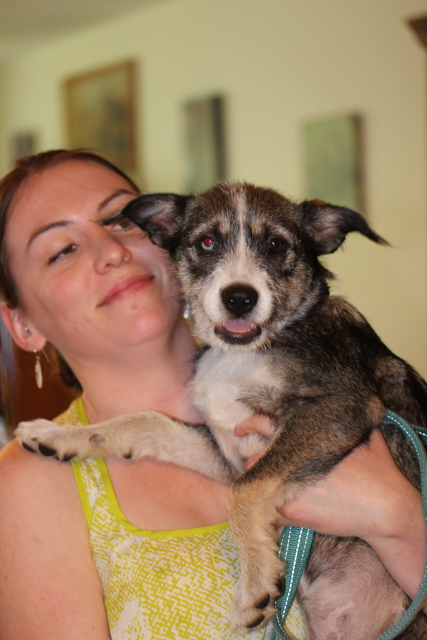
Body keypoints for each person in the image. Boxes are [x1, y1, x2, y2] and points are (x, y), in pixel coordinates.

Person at [0, 150, 424, 640]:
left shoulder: (319, 357)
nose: (110, 251)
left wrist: (401, 523)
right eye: (62, 250)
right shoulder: (24, 484)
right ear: (21, 324)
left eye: (121, 222)